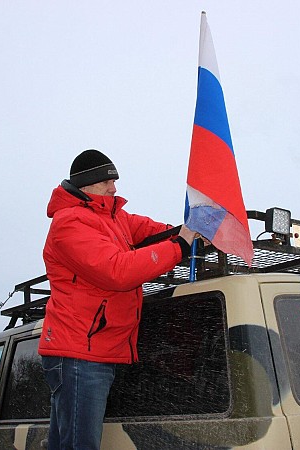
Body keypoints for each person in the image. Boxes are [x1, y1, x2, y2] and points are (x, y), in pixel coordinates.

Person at [39, 149, 197, 450]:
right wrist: (180, 247)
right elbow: (117, 271)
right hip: (79, 354)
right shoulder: (69, 224)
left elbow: (153, 232)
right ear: (86, 185)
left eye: (114, 181)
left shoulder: (113, 218)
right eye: (106, 182)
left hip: (95, 350)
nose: (114, 188)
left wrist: (190, 234)